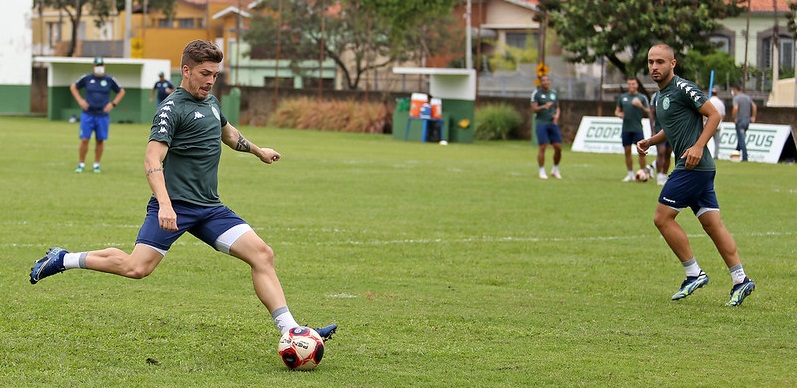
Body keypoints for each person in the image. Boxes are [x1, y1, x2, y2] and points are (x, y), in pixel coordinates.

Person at [30, 40, 338, 340]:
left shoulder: (212, 103)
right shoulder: (171, 108)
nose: (211, 81)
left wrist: (258, 150)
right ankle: (64, 259)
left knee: (262, 254)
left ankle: (292, 331)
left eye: (215, 75)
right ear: (186, 70)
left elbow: (228, 134)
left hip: (210, 208)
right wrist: (165, 204)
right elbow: (153, 159)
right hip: (175, 206)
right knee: (136, 267)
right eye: (205, 74)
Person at [637, 43, 755, 306]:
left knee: (662, 218)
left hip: (692, 167)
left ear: (673, 64)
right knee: (713, 226)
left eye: (660, 62)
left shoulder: (682, 87)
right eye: (651, 62)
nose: (654, 67)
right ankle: (741, 279)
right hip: (699, 169)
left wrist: (699, 146)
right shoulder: (660, 96)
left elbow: (713, 115)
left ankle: (694, 273)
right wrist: (650, 141)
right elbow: (672, 127)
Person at [69, 57, 125, 173]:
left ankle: (96, 164)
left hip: (102, 115)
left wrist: (113, 104)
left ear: (104, 66)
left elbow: (121, 91)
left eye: (101, 65)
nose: (99, 67)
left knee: (100, 140)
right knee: (84, 139)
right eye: (97, 65)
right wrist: (80, 101)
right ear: (93, 67)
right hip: (88, 114)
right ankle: (81, 164)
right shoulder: (87, 78)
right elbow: (73, 87)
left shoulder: (110, 80)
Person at [615, 77, 650, 182]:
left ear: (637, 85)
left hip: (638, 128)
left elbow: (649, 112)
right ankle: (630, 173)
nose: (631, 86)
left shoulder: (642, 98)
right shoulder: (623, 97)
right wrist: (619, 114)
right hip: (626, 129)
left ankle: (643, 172)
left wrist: (641, 106)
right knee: (627, 151)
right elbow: (617, 111)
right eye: (629, 84)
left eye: (633, 84)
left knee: (641, 152)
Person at [530, 75, 562, 179]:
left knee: (558, 147)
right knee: (542, 147)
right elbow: (534, 109)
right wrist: (544, 106)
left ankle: (555, 169)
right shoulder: (536, 94)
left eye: (547, 80)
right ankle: (542, 171)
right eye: (543, 80)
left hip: (552, 123)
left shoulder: (554, 93)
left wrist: (557, 115)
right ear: (540, 82)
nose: (546, 82)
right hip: (541, 123)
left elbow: (557, 107)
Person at [649, 91, 672, 185]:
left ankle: (664, 175)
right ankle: (659, 176)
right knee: (661, 152)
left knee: (668, 153)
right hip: (659, 129)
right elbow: (651, 112)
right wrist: (652, 130)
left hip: (672, 130)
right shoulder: (656, 96)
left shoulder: (675, 93)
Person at [731, 84, 756, 162]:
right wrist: (753, 116)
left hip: (740, 121)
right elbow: (754, 106)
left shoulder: (736, 98)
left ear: (735, 89)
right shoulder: (747, 97)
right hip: (747, 120)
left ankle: (745, 157)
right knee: (741, 137)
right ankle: (736, 152)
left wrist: (734, 118)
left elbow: (735, 108)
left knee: (741, 139)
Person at [708, 86, 726, 159]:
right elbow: (723, 115)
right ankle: (716, 155)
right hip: (718, 124)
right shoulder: (720, 102)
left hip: (708, 125)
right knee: (717, 142)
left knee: (705, 141)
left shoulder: (709, 101)